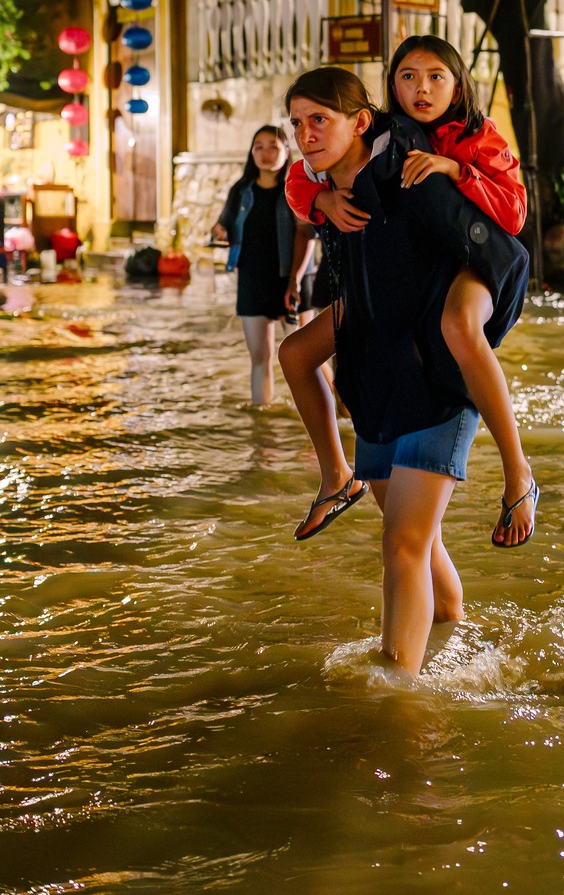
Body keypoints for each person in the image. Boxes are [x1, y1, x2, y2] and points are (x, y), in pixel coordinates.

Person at [275, 67, 530, 673]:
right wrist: (319, 201)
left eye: (320, 119)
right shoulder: (330, 191)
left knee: (403, 544)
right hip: (376, 385)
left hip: (435, 387)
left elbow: (510, 253)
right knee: (419, 547)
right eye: (297, 122)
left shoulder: (412, 176)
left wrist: (467, 326)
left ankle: (397, 695)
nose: (306, 133)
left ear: (361, 122)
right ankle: (453, 634)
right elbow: (300, 192)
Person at [211, 125, 296, 406]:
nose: (265, 152)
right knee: (260, 357)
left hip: (291, 280)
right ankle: (262, 426)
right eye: (258, 146)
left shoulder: (296, 188)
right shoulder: (241, 190)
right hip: (252, 278)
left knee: (307, 358)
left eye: (273, 145)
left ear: (287, 150)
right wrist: (219, 232)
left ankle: (337, 412)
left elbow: (310, 234)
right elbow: (223, 223)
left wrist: (297, 279)